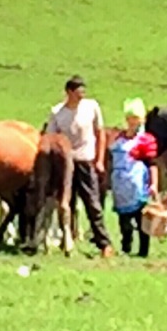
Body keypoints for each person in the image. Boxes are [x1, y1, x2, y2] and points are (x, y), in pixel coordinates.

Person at [44, 75, 114, 258]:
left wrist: (99, 160)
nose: (82, 95)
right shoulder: (58, 112)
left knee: (92, 203)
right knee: (65, 203)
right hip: (64, 164)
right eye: (78, 92)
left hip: (84, 161)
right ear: (69, 92)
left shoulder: (91, 107)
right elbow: (51, 139)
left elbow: (100, 134)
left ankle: (104, 243)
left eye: (83, 91)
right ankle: (66, 239)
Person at [110, 98, 158, 257]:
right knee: (124, 220)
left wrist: (154, 184)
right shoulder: (118, 139)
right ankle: (126, 247)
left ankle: (143, 250)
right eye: (130, 118)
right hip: (120, 184)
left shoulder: (146, 140)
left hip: (137, 184)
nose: (132, 122)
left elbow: (152, 164)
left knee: (141, 219)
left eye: (136, 119)